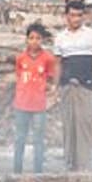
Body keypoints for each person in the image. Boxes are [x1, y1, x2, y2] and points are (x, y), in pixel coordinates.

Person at [53, 0, 92, 171]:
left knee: (84, 125)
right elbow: (58, 63)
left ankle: (83, 166)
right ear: (66, 16)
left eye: (79, 15)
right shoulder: (60, 38)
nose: (76, 19)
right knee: (69, 125)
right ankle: (69, 164)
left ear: (84, 16)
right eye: (72, 15)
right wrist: (55, 86)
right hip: (67, 86)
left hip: (85, 86)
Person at [14, 24, 56, 174]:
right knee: (20, 139)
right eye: (31, 38)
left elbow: (50, 78)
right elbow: (19, 75)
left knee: (38, 140)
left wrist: (48, 89)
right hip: (21, 104)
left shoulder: (48, 58)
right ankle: (17, 171)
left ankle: (38, 172)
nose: (34, 41)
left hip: (39, 106)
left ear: (42, 40)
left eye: (38, 38)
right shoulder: (21, 58)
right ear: (26, 39)